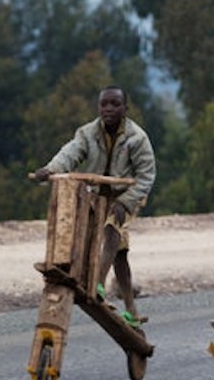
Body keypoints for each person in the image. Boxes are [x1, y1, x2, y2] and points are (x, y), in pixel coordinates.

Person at [33, 86, 156, 324]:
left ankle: (97, 283)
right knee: (119, 255)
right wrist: (50, 170)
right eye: (104, 104)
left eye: (114, 104)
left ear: (125, 108)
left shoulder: (137, 138)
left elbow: (147, 176)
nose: (108, 109)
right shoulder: (88, 133)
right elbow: (69, 153)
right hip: (95, 196)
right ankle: (132, 310)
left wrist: (127, 201)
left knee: (112, 230)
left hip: (124, 197)